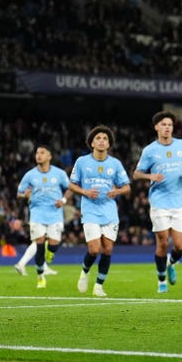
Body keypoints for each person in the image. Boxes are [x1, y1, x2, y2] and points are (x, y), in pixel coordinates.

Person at [133, 111, 182, 293]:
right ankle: (161, 281)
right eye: (164, 124)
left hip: (178, 203)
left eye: (170, 125)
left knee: (181, 246)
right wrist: (150, 175)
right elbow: (136, 174)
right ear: (157, 127)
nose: (167, 127)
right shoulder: (150, 150)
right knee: (162, 243)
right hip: (159, 202)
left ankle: (170, 263)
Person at [69, 125, 131, 297]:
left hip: (109, 211)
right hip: (90, 210)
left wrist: (117, 191)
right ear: (92, 143)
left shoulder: (115, 164)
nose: (102, 141)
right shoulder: (82, 162)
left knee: (107, 249)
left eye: (105, 138)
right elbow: (71, 184)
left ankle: (98, 286)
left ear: (109, 144)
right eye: (98, 138)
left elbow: (127, 187)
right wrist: (85, 192)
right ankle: (85, 272)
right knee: (94, 249)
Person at [16, 144, 72, 288]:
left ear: (49, 156)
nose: (38, 155)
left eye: (42, 153)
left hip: (55, 214)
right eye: (37, 153)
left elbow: (70, 189)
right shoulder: (30, 175)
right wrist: (24, 195)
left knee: (53, 245)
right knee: (39, 243)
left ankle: (49, 255)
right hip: (37, 213)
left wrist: (64, 200)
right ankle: (40, 276)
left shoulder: (59, 174)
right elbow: (19, 193)